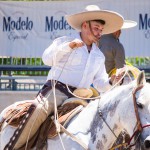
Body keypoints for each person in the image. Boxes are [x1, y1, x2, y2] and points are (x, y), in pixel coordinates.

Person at [3, 5, 125, 150]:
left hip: (81, 96)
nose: (99, 33)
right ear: (85, 26)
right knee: (38, 111)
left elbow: (100, 83)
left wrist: (112, 81)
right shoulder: (64, 41)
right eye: (97, 28)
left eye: (101, 30)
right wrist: (69, 47)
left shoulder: (98, 55)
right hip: (56, 91)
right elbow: (46, 59)